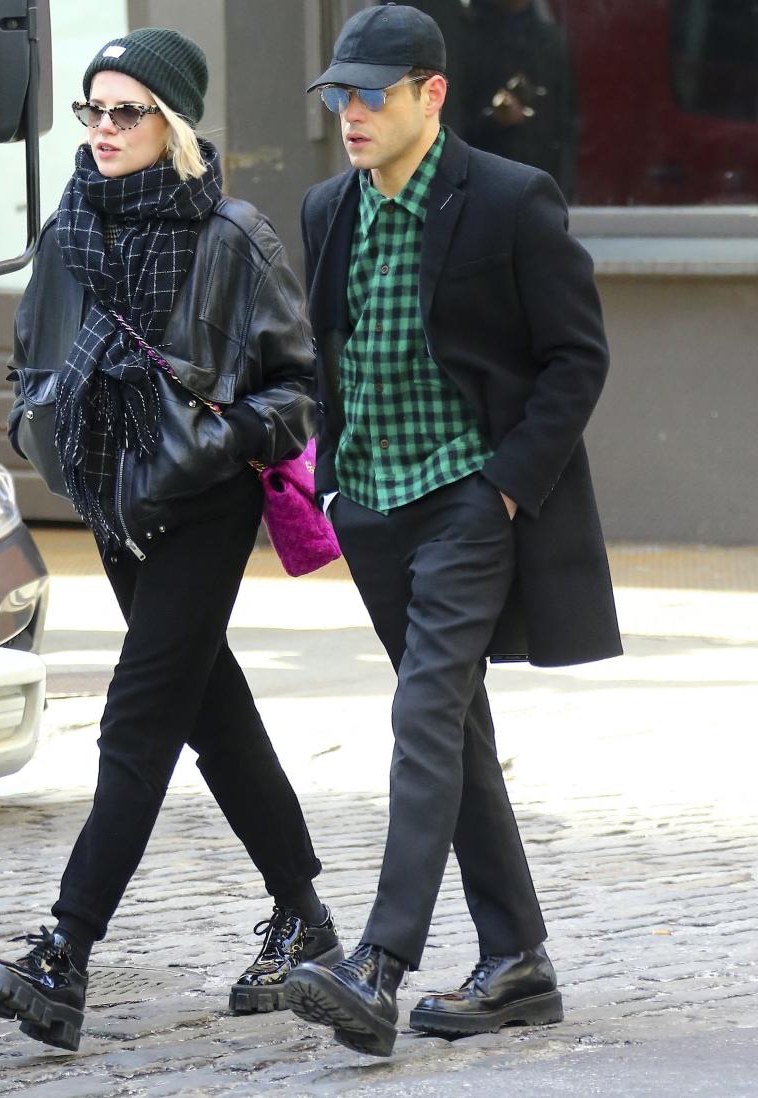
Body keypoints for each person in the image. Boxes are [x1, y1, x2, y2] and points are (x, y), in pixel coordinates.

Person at [0, 28, 342, 1052]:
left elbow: (297, 390)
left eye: (124, 111)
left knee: (136, 722)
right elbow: (32, 358)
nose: (102, 129)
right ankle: (306, 921)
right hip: (116, 509)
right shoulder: (68, 231)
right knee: (208, 708)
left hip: (202, 505)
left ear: (171, 122)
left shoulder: (231, 234)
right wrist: (42, 425)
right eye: (91, 110)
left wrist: (221, 438)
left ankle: (64, 955)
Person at [284, 3, 620, 1058]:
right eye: (341, 92)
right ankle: (518, 960)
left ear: (432, 94)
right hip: (374, 506)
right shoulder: (327, 208)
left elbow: (578, 358)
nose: (351, 111)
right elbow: (331, 348)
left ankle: (378, 962)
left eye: (373, 93)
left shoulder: (513, 201)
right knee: (457, 728)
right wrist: (336, 481)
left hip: (469, 499)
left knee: (424, 715)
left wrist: (507, 489)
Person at [457, 0, 578, 200]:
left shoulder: (549, 41)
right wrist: (494, 120)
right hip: (481, 189)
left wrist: (564, 193)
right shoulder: (466, 37)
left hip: (541, 189)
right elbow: (452, 121)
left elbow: (566, 125)